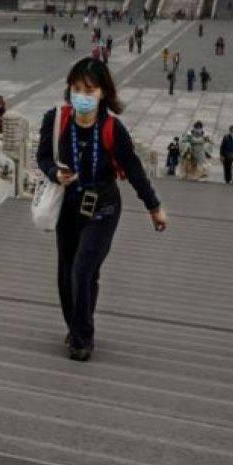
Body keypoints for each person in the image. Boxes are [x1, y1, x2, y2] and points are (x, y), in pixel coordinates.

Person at [36, 58, 166, 362]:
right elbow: (42, 157)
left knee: (82, 270)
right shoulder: (56, 120)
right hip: (68, 206)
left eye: (89, 90)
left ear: (103, 93)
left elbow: (133, 168)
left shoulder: (111, 128)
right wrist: (55, 171)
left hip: (103, 206)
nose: (81, 95)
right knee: (68, 274)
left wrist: (153, 206)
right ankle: (75, 325)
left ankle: (83, 338)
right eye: (76, 88)